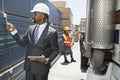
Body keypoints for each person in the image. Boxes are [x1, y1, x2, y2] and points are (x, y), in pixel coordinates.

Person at [6, 3, 59, 80]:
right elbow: (22, 42)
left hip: (41, 69)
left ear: (43, 15)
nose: (33, 16)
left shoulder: (52, 32)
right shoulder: (30, 28)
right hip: (29, 68)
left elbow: (56, 50)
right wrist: (14, 31)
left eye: (35, 14)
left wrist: (47, 60)